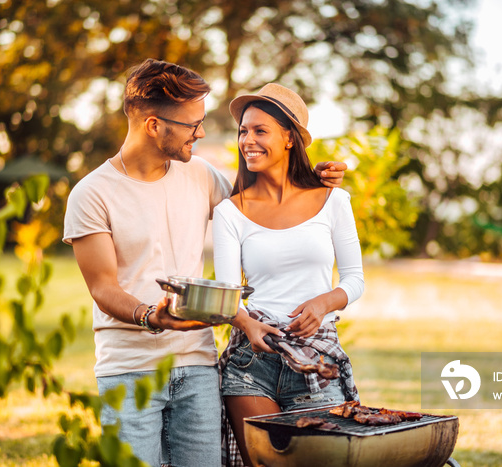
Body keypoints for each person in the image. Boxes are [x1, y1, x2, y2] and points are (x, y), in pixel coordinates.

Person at [62, 59, 347, 467]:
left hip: (197, 365)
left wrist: (309, 180)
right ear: (154, 126)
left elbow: (262, 204)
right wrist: (151, 317)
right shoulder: (92, 194)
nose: (202, 132)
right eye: (192, 124)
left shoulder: (201, 176)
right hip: (129, 368)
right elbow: (103, 287)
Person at [213, 83, 365, 466]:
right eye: (243, 131)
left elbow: (354, 279)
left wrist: (323, 302)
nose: (248, 140)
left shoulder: (333, 200)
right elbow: (228, 295)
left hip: (316, 357)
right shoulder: (230, 212)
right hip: (251, 362)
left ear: (289, 139)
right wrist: (247, 325)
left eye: (260, 131)